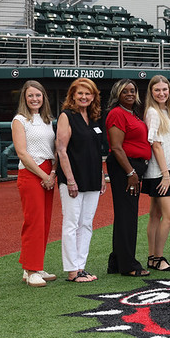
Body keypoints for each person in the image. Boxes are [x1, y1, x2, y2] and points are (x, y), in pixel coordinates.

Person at [56, 77, 106, 282]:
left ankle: (81, 267)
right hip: (73, 178)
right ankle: (71, 270)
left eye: (88, 93)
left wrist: (102, 175)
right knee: (71, 223)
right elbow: (61, 150)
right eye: (80, 93)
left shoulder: (94, 117)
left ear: (93, 96)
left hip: (93, 177)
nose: (84, 97)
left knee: (86, 224)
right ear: (72, 96)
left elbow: (97, 150)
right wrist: (70, 179)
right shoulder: (66, 116)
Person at [11, 80, 58, 287]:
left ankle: (35, 266)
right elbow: (22, 152)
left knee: (45, 221)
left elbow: (52, 148)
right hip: (32, 174)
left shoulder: (47, 119)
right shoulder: (19, 120)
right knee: (34, 221)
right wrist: (44, 176)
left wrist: (53, 173)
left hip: (48, 172)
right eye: (30, 95)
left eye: (38, 95)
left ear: (43, 97)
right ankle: (31, 270)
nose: (34, 99)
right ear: (24, 98)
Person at [105, 79, 152, 277]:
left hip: (133, 167)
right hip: (125, 168)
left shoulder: (133, 114)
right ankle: (128, 265)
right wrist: (131, 173)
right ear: (118, 95)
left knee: (126, 215)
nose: (130, 94)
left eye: (133, 90)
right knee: (127, 216)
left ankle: (117, 262)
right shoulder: (117, 113)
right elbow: (116, 147)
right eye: (125, 92)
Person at [141, 75, 170, 272]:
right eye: (157, 90)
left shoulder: (165, 111)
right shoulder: (154, 112)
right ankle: (158, 257)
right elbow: (154, 144)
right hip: (158, 172)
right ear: (151, 93)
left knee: (155, 215)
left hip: (162, 170)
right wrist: (165, 174)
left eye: (165, 89)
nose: (162, 93)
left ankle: (152, 258)